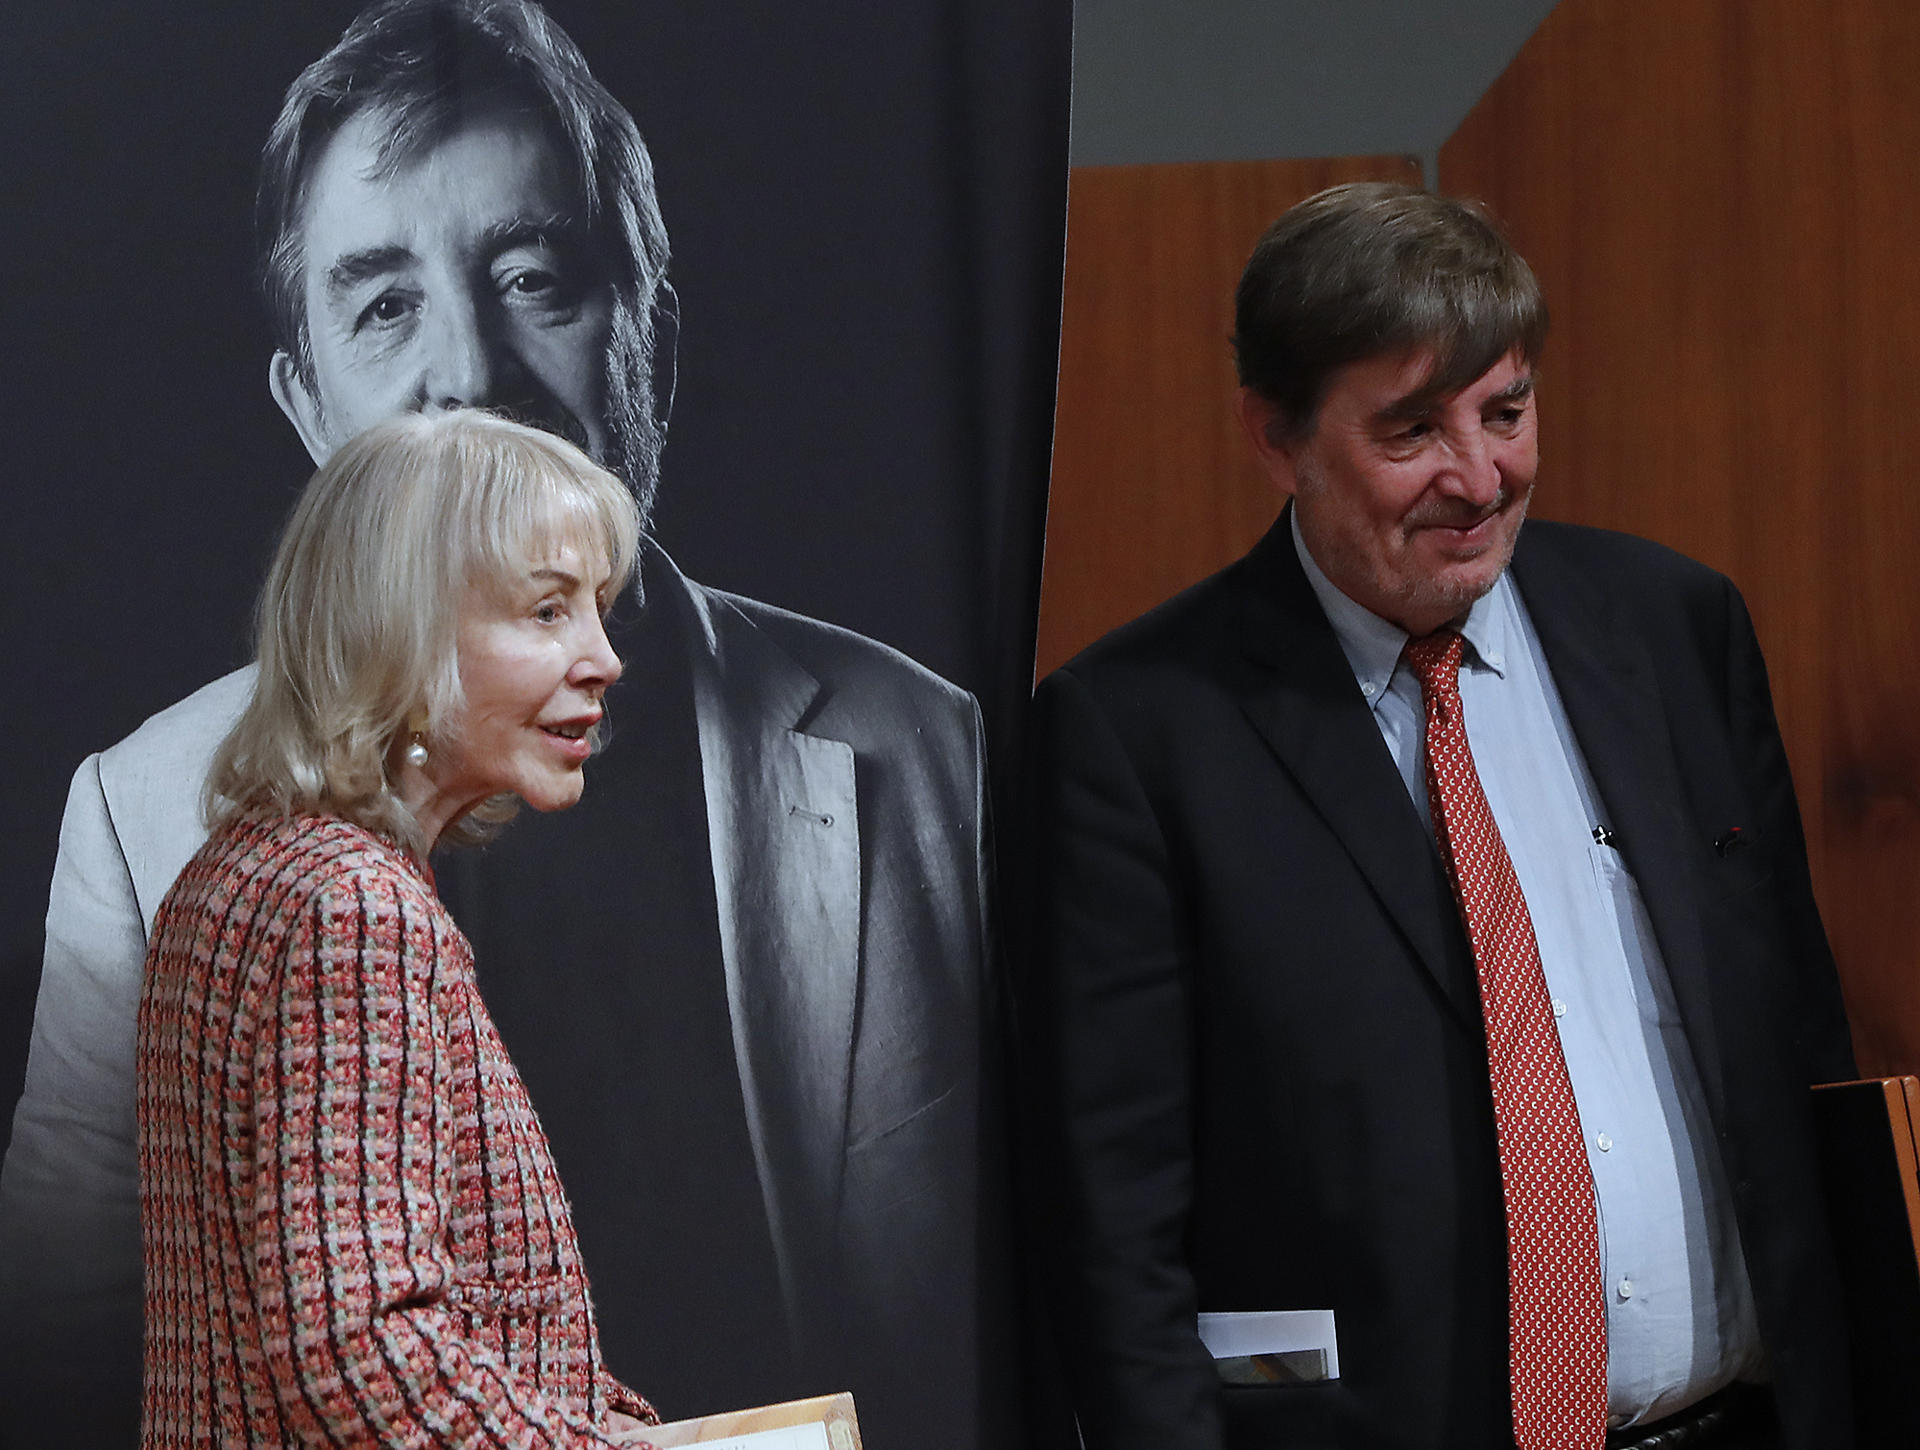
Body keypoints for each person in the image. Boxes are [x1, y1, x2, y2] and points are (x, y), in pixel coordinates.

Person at [0, 2, 999, 1446]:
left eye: (535, 275)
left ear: (647, 325)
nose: (470, 372)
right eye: (386, 300)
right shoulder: (273, 867)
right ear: (303, 403)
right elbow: (309, 1347)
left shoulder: (932, 751)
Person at [1026, 182, 1855, 1450]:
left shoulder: (1676, 627)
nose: (1478, 477)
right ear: (1278, 438)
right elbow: (1112, 1223)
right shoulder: (1137, 733)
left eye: (1507, 412)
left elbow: (1802, 1048)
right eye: (1412, 431)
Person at [140, 410, 656, 1447]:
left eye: (596, 609)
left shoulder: (241, 869)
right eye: (547, 610)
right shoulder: (352, 907)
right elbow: (360, 1349)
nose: (603, 657)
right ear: (402, 632)